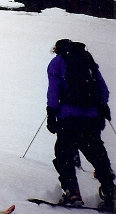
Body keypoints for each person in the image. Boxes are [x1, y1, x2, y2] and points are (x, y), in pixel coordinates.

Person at [46, 39, 114, 210]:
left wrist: (51, 112)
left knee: (64, 154)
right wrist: (100, 108)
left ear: (57, 49)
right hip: (91, 118)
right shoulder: (87, 60)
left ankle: (72, 192)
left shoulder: (57, 62)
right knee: (96, 152)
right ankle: (110, 190)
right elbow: (103, 90)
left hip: (68, 118)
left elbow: (54, 90)